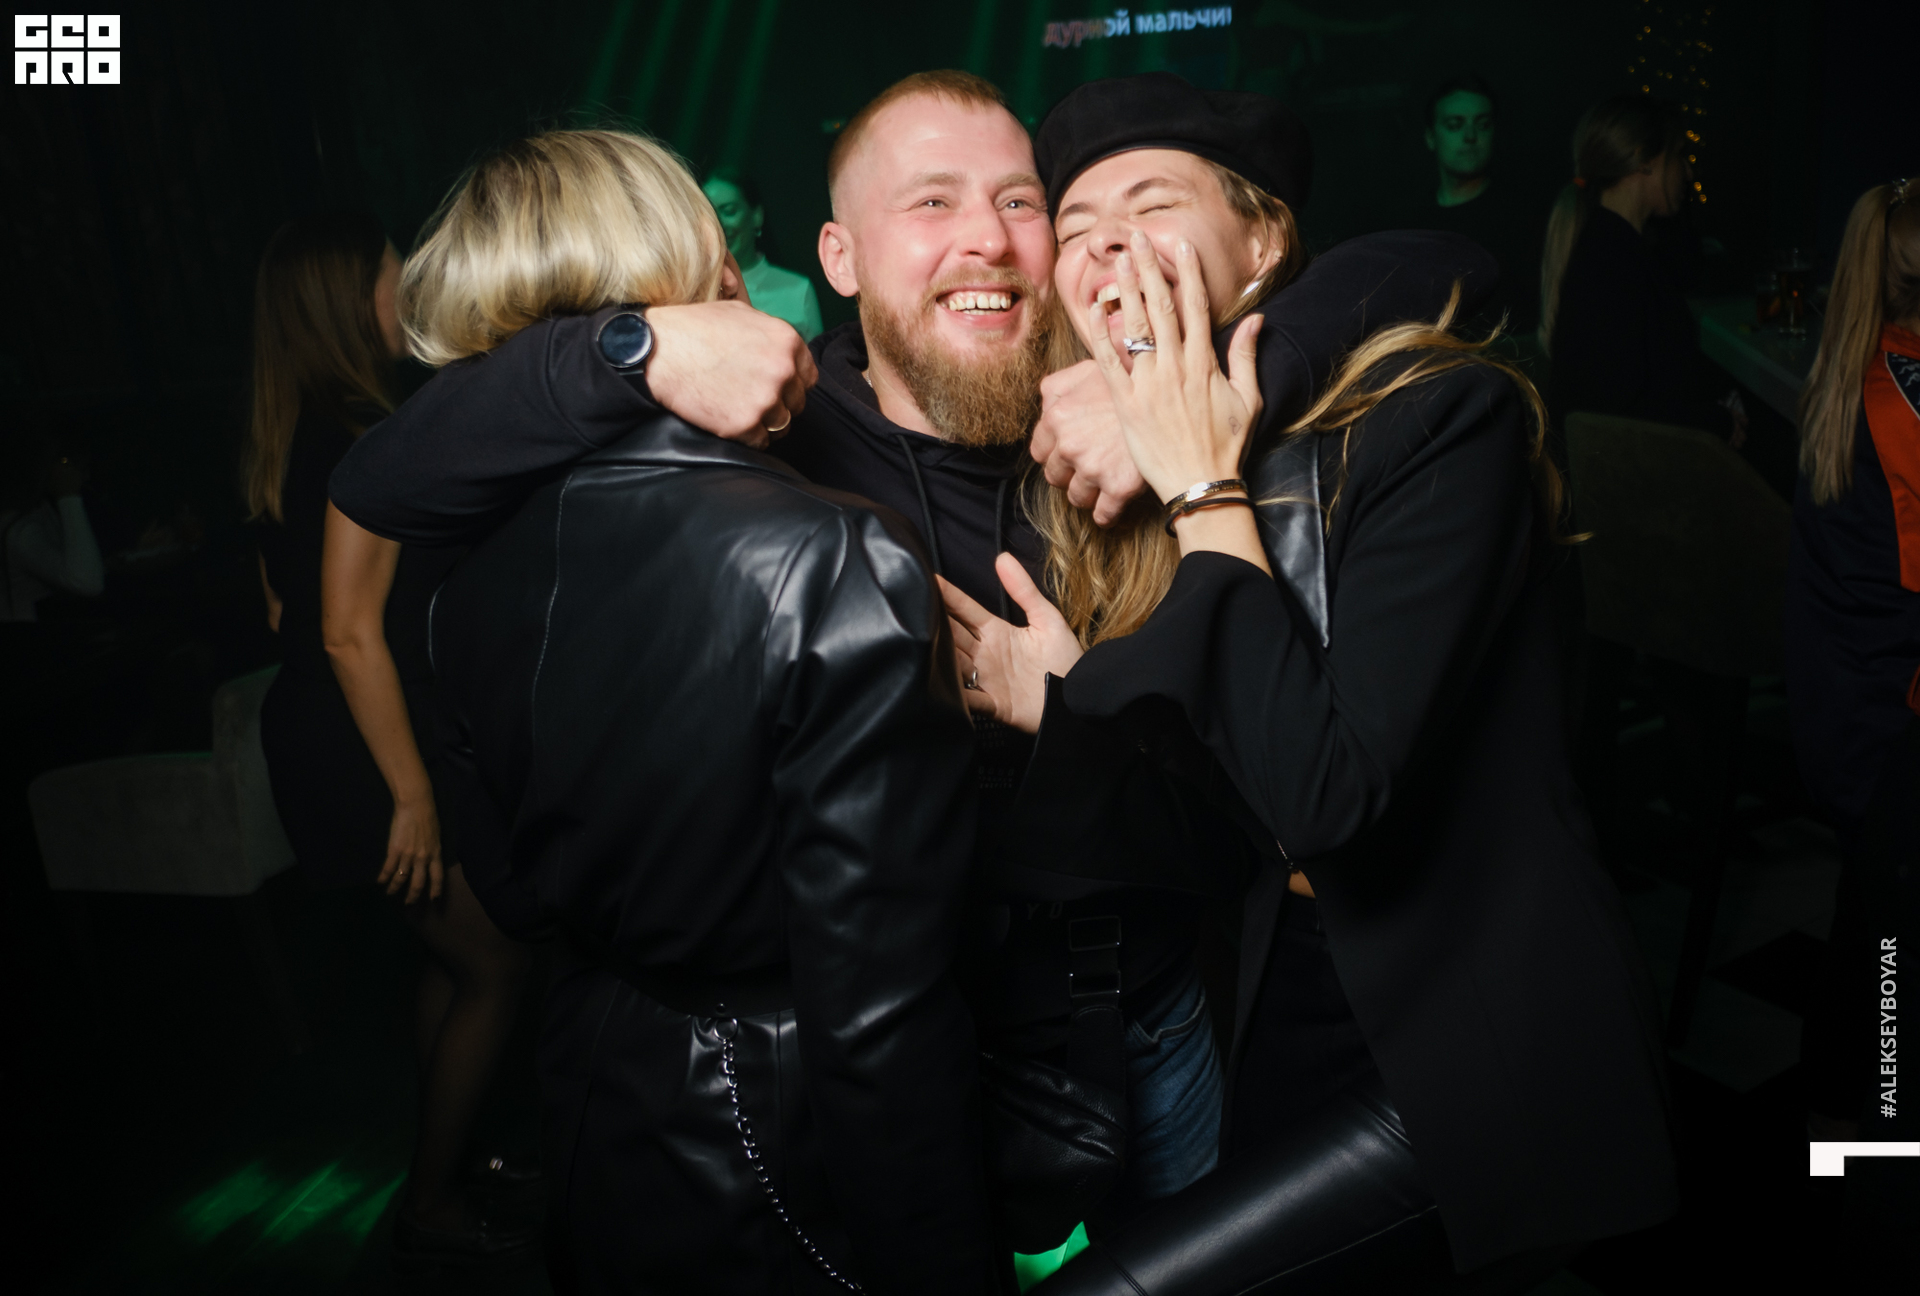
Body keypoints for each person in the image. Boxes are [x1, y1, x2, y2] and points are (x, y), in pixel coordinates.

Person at [328, 70, 1493, 1252]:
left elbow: (1439, 262)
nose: (987, 238)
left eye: (1022, 202)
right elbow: (385, 479)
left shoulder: (1132, 400)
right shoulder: (777, 431)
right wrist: (634, 349)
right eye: (932, 202)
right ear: (837, 257)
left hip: (1144, 1017)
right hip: (904, 1068)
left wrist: (1228, 380)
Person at [946, 73, 1678, 1292]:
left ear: (1266, 242)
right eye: (1074, 229)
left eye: (1152, 202)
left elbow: (1331, 796)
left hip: (1470, 1027)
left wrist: (1204, 485)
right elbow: (1221, 826)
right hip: (1286, 983)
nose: (1106, 244)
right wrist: (1064, 706)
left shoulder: (1434, 421)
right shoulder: (1110, 494)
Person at [389, 126, 995, 1295]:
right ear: (713, 279)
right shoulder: (832, 556)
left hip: (594, 1108)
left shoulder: (457, 586)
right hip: (786, 1144)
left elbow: (513, 895)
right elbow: (881, 1017)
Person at [243, 211, 536, 1272]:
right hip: (371, 748)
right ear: (344, 300)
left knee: (449, 962)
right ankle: (430, 1201)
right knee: (498, 963)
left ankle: (462, 1153)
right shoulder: (361, 443)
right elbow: (345, 631)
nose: (404, 288)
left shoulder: (289, 436)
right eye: (389, 274)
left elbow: (278, 614)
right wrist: (411, 796)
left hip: (328, 731)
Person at [1784, 178, 1920, 1141]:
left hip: (1842, 708)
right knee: (1892, 962)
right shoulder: (1904, 402)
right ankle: (1882, 1144)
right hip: (1890, 723)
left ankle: (1841, 1128)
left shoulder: (1858, 364)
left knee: (1868, 924)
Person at [1542, 94, 1745, 444]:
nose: (1688, 172)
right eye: (1679, 155)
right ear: (1644, 161)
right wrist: (1718, 422)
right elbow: (1617, 414)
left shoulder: (1616, 247)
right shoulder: (1612, 262)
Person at [1404, 73, 1540, 342]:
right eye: (1455, 125)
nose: (1470, 136)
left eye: (1482, 124)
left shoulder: (1524, 217)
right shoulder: (1410, 225)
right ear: (1431, 136)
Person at [705, 166, 825, 340]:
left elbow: (816, 355)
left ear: (756, 216)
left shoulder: (797, 289)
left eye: (729, 211)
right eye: (709, 214)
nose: (719, 224)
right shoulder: (692, 292)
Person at [1, 428, 104, 622]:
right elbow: (87, 582)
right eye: (79, 468)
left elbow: (68, 568)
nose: (85, 477)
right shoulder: (20, 530)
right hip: (25, 636)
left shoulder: (41, 510)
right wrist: (69, 497)